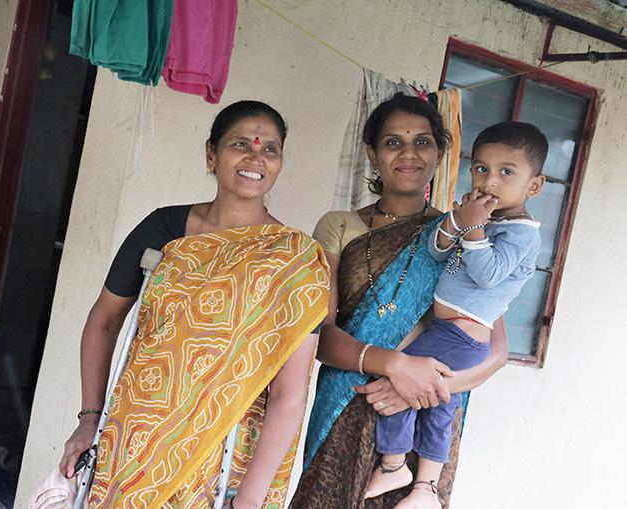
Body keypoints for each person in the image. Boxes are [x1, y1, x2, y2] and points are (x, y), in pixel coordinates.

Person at [58, 101, 330, 509]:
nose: (256, 157)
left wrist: (251, 497)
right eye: (242, 144)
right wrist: (89, 419)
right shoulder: (162, 229)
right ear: (211, 155)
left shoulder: (295, 262)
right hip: (136, 440)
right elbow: (104, 321)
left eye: (270, 149)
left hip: (225, 460)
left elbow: (290, 394)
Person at [289, 94, 509, 509]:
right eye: (393, 142)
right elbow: (318, 336)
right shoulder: (339, 226)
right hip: (348, 404)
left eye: (422, 142)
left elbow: (495, 352)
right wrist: (395, 367)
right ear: (372, 153)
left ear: (440, 152)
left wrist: (420, 388)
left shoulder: (464, 234)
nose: (409, 154)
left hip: (429, 420)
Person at [365, 121, 547, 508]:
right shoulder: (481, 218)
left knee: (400, 372)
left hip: (462, 334)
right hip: (453, 332)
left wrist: (476, 230)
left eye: (506, 172)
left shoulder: (522, 233)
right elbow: (435, 250)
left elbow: (489, 274)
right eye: (481, 168)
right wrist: (456, 223)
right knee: (442, 407)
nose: (489, 181)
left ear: (534, 186)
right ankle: (425, 489)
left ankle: (396, 462)